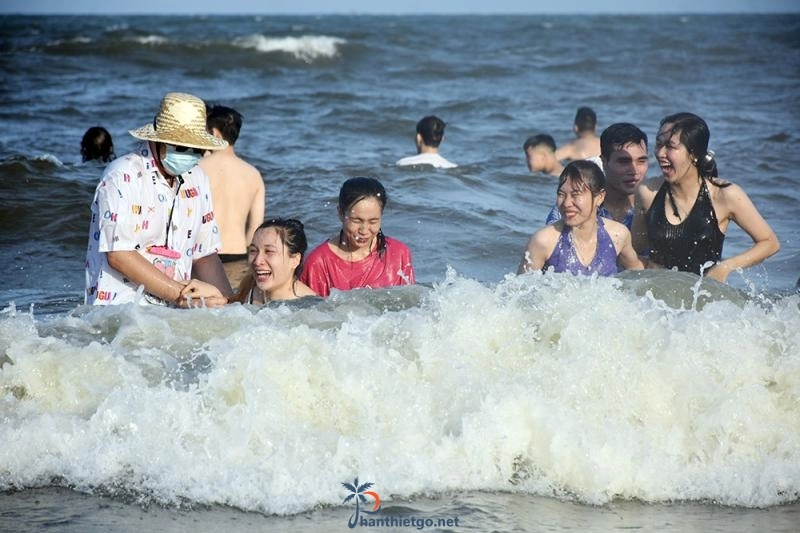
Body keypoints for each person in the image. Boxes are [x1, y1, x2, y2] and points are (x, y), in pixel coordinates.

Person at [85, 92, 232, 307]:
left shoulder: (197, 178)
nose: (190, 153)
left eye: (197, 149)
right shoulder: (122, 175)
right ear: (159, 139)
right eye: (181, 147)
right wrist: (183, 296)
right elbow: (119, 254)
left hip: (175, 317)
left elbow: (205, 255)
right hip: (121, 313)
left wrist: (229, 306)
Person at [632, 112, 779, 282]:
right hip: (656, 295)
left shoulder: (724, 194)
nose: (660, 153)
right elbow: (635, 248)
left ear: (694, 154)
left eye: (670, 146)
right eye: (658, 144)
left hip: (704, 297)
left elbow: (769, 242)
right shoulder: (647, 192)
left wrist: (726, 267)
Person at [518, 160, 643, 276]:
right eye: (561, 194)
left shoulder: (618, 235)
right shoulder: (544, 241)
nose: (567, 203)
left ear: (599, 197)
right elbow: (520, 292)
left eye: (575, 194)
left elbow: (639, 276)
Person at [300, 177, 415, 296]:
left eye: (373, 221)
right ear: (340, 213)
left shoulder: (399, 254)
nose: (364, 230)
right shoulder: (318, 263)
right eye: (356, 221)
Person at [199, 104, 266, 289]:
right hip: (239, 257)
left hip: (205, 256)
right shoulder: (253, 174)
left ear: (214, 132)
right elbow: (255, 227)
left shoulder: (198, 168)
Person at [546, 123, 650, 228]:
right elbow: (549, 240)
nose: (634, 170)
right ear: (604, 161)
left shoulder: (653, 207)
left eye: (641, 161)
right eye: (624, 162)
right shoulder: (574, 206)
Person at [224, 218, 316, 304]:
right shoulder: (250, 289)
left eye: (269, 251)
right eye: (253, 251)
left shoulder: (309, 306)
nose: (257, 261)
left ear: (295, 260)